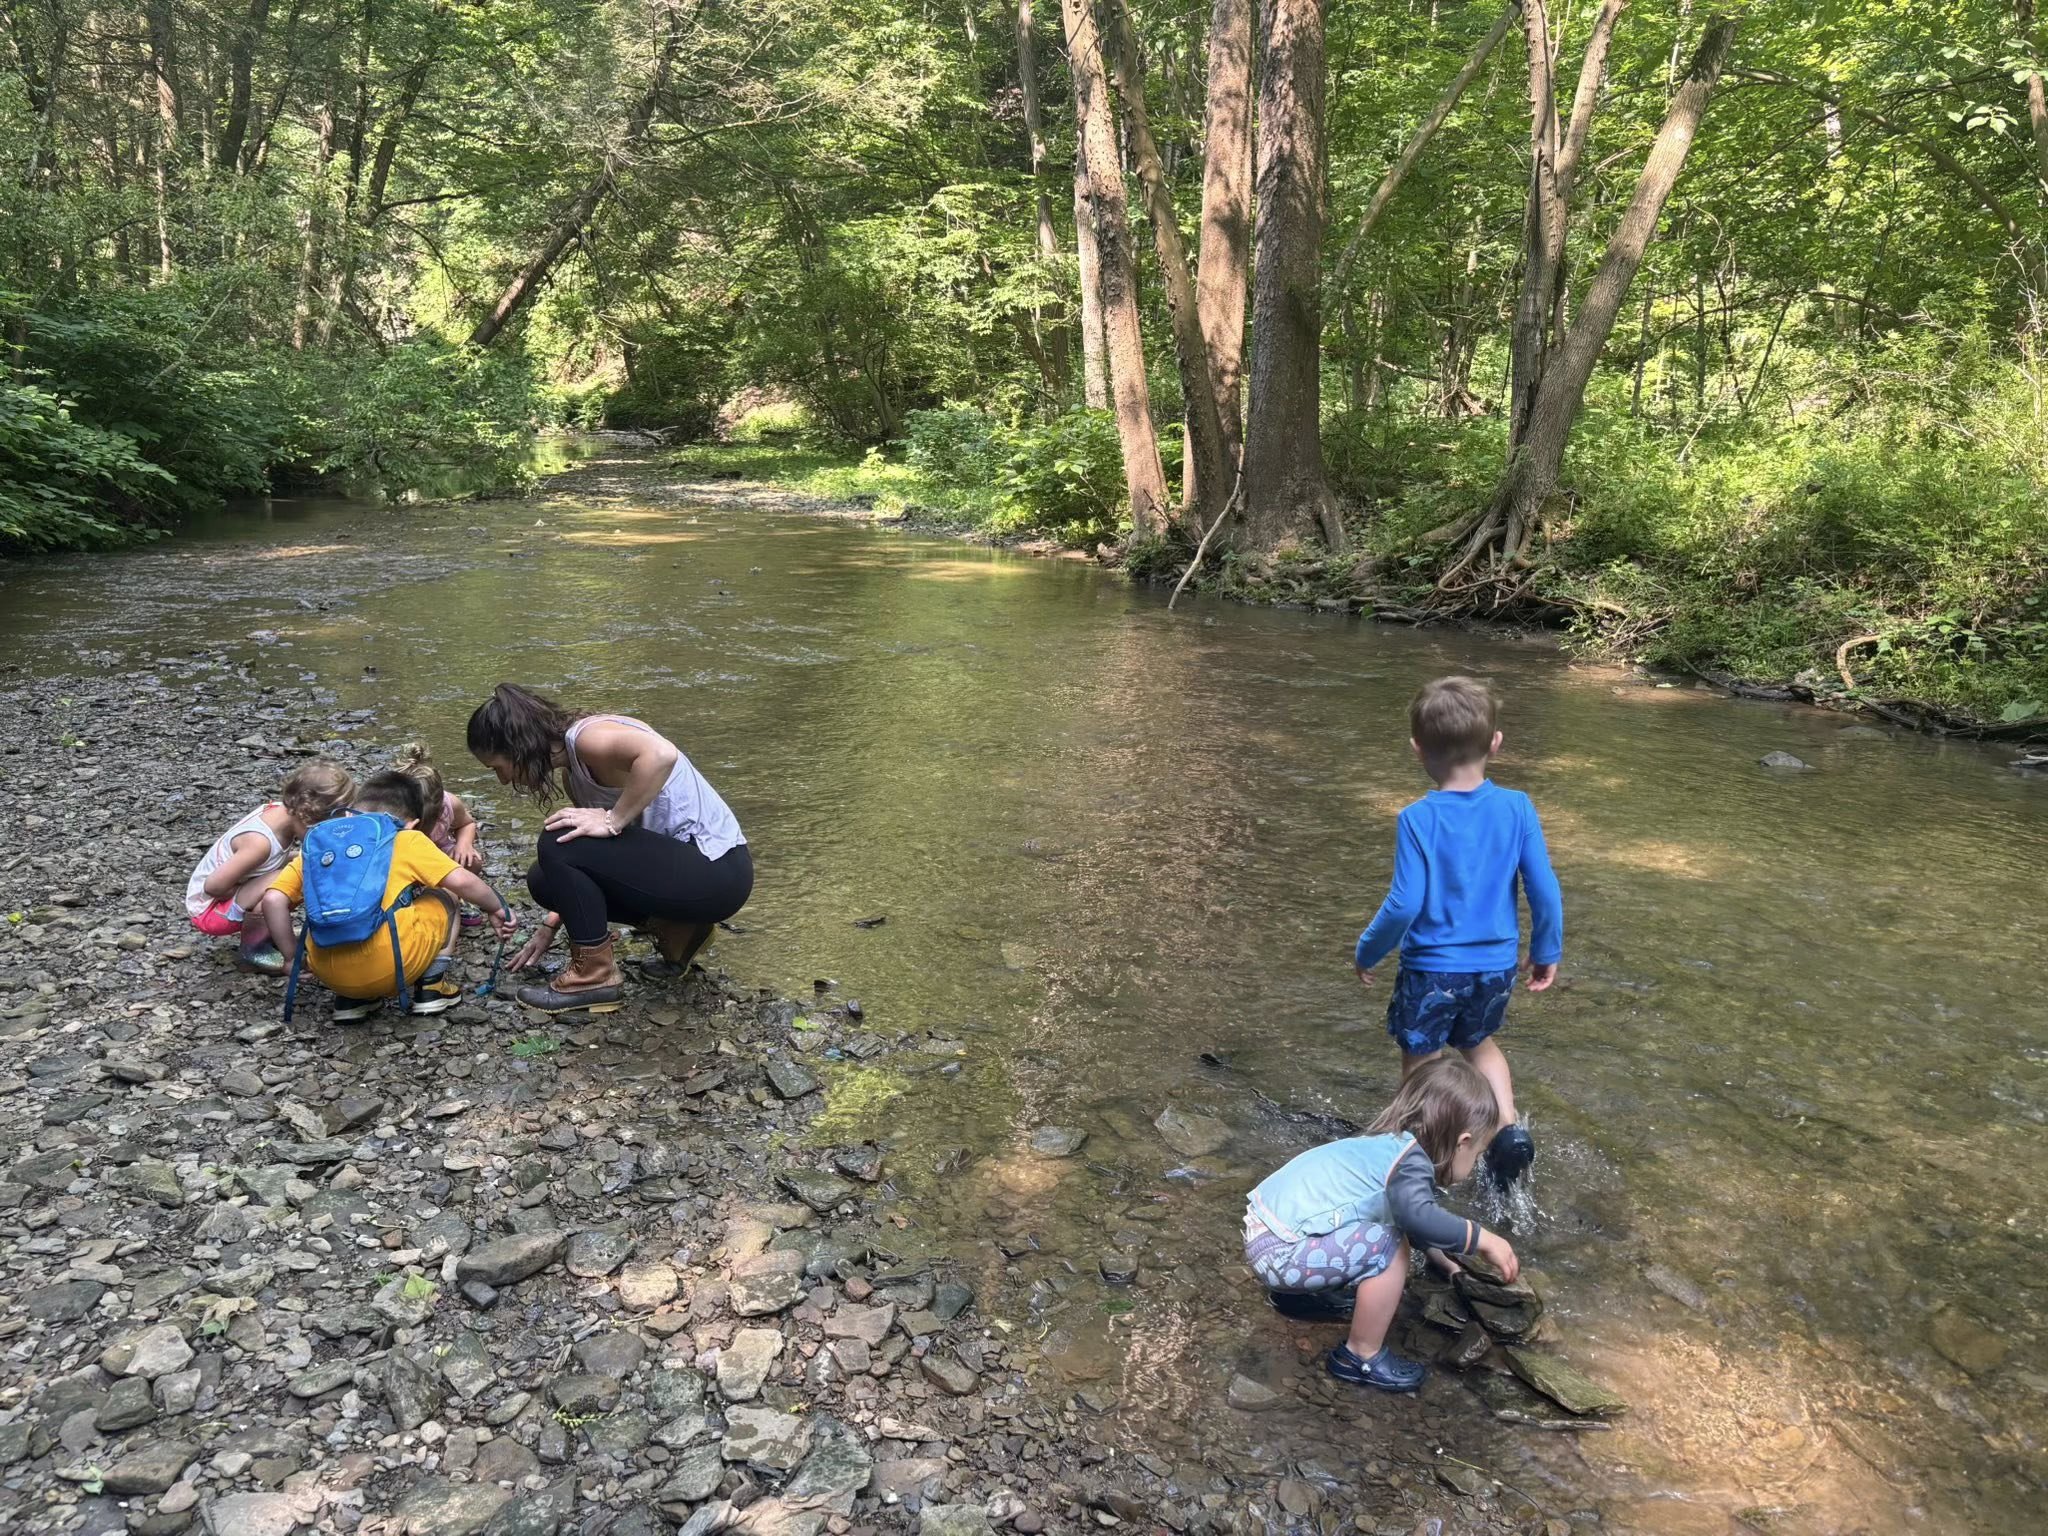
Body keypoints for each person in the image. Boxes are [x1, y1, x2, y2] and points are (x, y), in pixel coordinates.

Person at [1353, 676, 1562, 1191]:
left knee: (1423, 1061)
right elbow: (1544, 888)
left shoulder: (1418, 819)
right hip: (1493, 967)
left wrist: (1368, 950)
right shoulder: (1517, 808)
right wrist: (1545, 949)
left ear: (1417, 749)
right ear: (1496, 742)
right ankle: (1508, 1129)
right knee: (1479, 1043)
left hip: (1431, 968)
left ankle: (1421, 1154)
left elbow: (1404, 905)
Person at [465, 683, 754, 1014]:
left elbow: (661, 754)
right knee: (543, 879)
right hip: (693, 877)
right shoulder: (575, 775)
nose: (503, 780)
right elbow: (588, 866)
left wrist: (613, 820)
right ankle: (679, 928)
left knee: (556, 839)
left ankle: (594, 976)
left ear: (518, 748)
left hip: (718, 869)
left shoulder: (588, 737)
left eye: (497, 767)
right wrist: (549, 927)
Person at [1246, 1057, 1516, 1393]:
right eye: (1478, 1153)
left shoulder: (1393, 1146)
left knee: (1384, 1232)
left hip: (1270, 1232)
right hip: (1282, 1254)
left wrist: (1448, 1262)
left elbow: (1411, 1217)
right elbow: (1418, 1218)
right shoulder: (1410, 1168)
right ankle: (1360, 1355)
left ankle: (1299, 1298)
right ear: (1462, 1142)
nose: (1475, 1164)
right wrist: (1482, 1239)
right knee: (1389, 1248)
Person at [258, 769, 517, 1021]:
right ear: (412, 824)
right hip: (395, 966)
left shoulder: (320, 845)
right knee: (446, 891)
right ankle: (431, 987)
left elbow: (272, 900)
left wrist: (292, 958)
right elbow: (462, 880)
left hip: (330, 974)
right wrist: (496, 908)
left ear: (350, 812)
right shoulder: (407, 838)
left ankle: (353, 1000)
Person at [184, 760, 355, 974]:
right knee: (291, 879)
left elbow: (273, 860)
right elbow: (213, 887)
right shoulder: (259, 844)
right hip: (209, 911)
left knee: (294, 870)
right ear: (305, 816)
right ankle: (258, 951)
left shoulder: (281, 812)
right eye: (319, 830)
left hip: (226, 897)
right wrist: (254, 891)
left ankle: (267, 932)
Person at [395, 741, 485, 924]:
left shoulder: (449, 804)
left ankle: (456, 898)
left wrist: (464, 844)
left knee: (472, 861)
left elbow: (467, 824)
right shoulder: (393, 812)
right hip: (408, 859)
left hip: (439, 855)